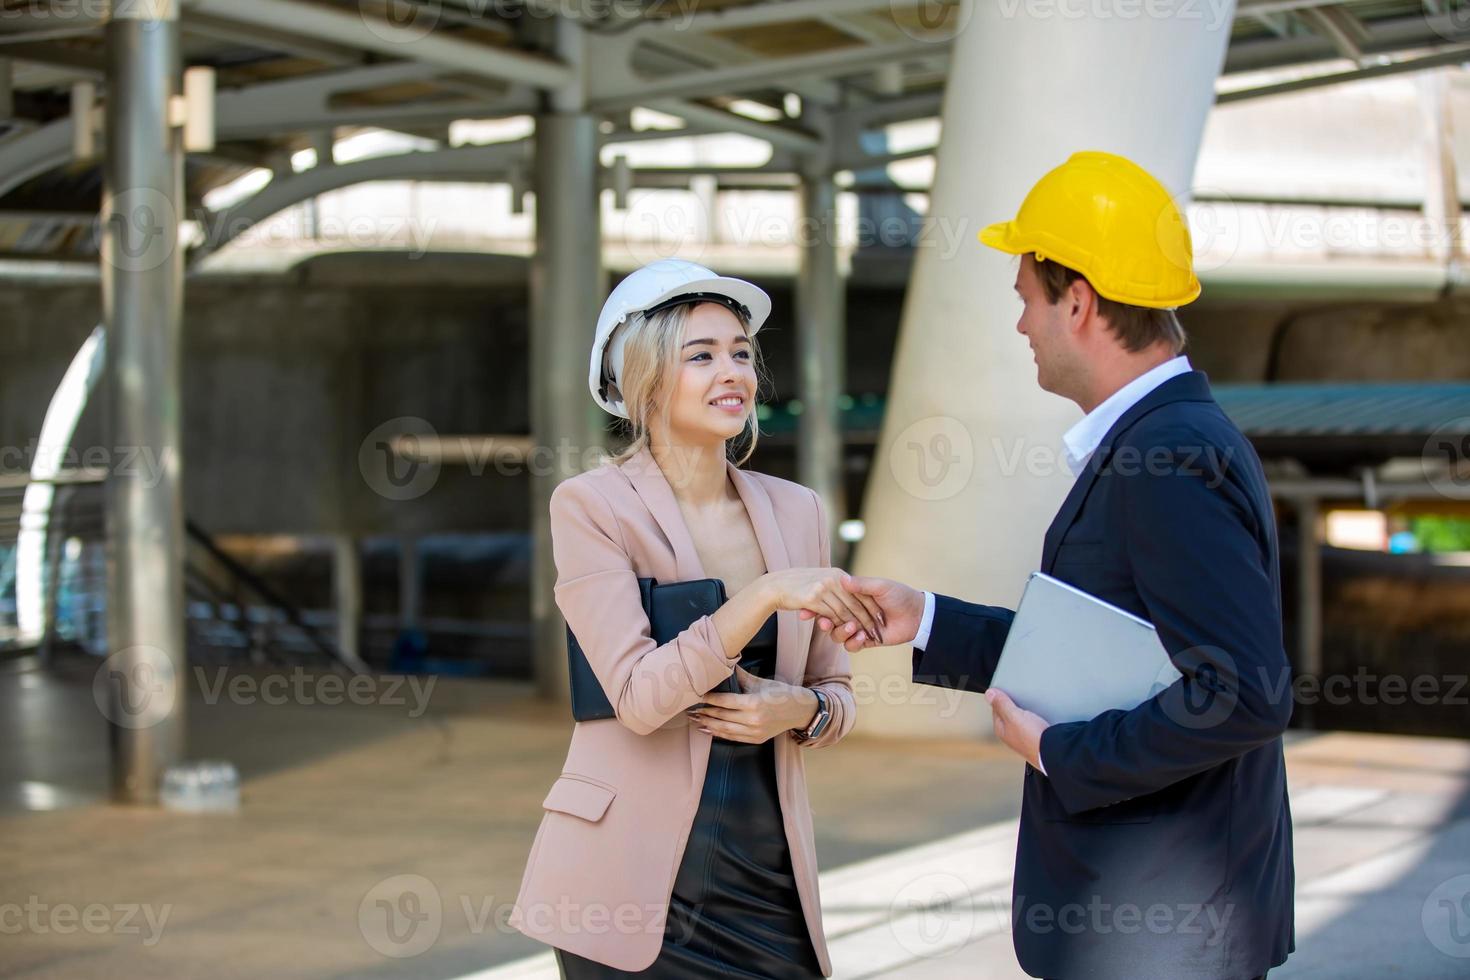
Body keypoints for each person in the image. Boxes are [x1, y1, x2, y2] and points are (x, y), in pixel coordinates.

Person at [815, 152, 1295, 980]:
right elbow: (1099, 655)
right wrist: (923, 617)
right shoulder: (1168, 438)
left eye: (1027, 299)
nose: (1021, 325)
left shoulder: (1168, 454)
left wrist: (1061, 754)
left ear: (1078, 302)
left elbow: (1245, 694)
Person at [508, 258, 881, 978]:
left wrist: (798, 709)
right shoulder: (592, 508)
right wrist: (762, 597)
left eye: (742, 353)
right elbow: (641, 699)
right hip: (627, 885)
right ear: (643, 378)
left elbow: (839, 691)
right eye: (702, 356)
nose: (733, 372)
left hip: (766, 877)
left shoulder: (796, 510)